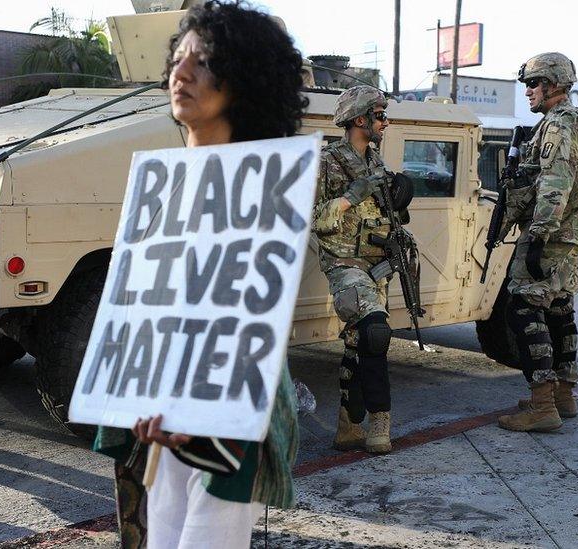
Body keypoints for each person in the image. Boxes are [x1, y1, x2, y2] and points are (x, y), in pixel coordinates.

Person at [93, 2, 306, 547]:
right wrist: (140, 393)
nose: (180, 74)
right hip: (162, 413)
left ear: (244, 79)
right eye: (178, 59)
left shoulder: (266, 187)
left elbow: (252, 316)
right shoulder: (162, 185)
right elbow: (146, 306)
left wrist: (199, 408)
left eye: (204, 62)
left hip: (231, 414)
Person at [497, 52, 578, 432]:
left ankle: (543, 404)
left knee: (523, 306)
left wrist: (540, 233)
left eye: (533, 83)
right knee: (559, 306)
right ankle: (563, 394)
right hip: (569, 230)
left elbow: (556, 180)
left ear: (554, 85)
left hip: (553, 231)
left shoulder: (559, 125)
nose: (527, 91)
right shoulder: (573, 121)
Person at [311, 85, 398, 454]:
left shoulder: (376, 160)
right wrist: (352, 195)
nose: (384, 122)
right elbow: (313, 217)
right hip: (344, 261)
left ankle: (349, 426)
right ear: (359, 119)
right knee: (377, 333)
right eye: (379, 115)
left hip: (376, 263)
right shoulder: (327, 161)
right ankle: (380, 422)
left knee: (358, 341)